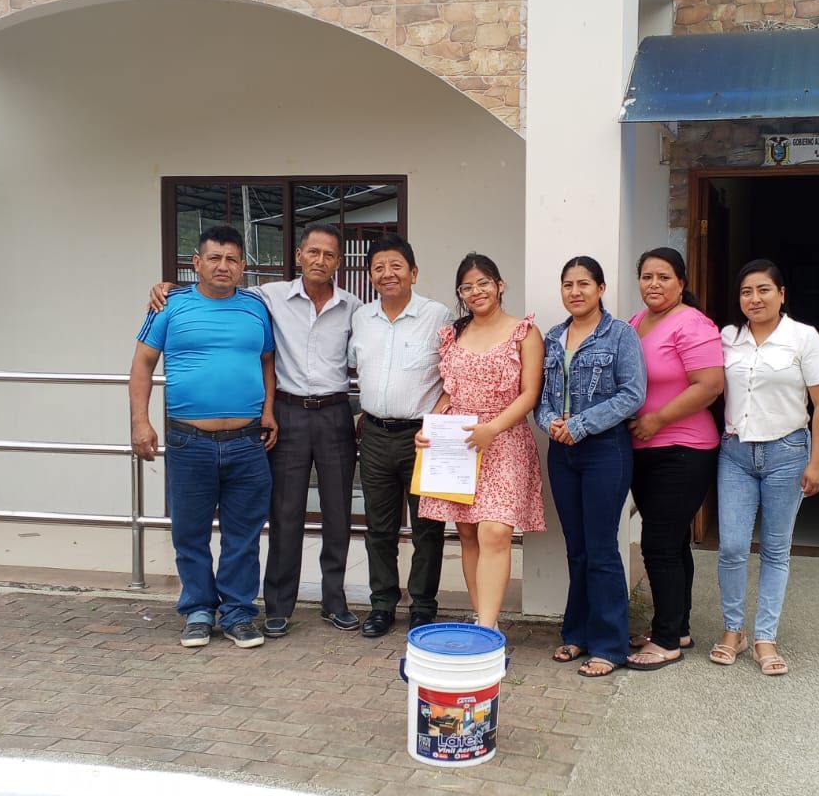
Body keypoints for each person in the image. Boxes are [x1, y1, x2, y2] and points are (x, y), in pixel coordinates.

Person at [148, 222, 360, 637]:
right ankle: (278, 606)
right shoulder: (268, 297)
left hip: (335, 412)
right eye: (313, 252)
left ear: (339, 261)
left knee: (338, 512)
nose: (320, 260)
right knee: (284, 512)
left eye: (329, 254)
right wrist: (167, 288)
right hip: (287, 412)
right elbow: (216, 284)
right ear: (298, 255)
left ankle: (334, 601)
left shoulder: (354, 307)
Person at [129, 225, 278, 649]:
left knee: (243, 535)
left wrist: (268, 410)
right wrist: (140, 422)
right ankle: (197, 609)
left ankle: (238, 613)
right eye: (214, 258)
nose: (223, 266)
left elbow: (267, 361)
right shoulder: (169, 306)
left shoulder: (256, 308)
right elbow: (142, 365)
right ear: (197, 263)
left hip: (247, 441)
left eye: (231, 259)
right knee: (189, 532)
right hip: (188, 441)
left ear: (243, 265)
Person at [711, 259, 819, 676]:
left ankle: (765, 637)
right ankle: (733, 630)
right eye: (746, 291)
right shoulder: (728, 338)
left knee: (776, 549)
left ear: (781, 294)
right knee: (732, 547)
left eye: (763, 290)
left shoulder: (803, 337)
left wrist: (816, 461)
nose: (755, 298)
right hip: (736, 454)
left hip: (787, 452)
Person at [414, 253, 545, 630]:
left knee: (496, 530)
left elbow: (530, 393)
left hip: (505, 439)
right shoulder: (452, 334)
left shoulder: (524, 332)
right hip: (456, 442)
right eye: (467, 287)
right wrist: (429, 427)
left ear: (500, 285)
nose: (476, 291)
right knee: (468, 531)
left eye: (484, 282)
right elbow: (448, 392)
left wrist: (493, 428)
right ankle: (484, 619)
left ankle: (486, 629)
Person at [536, 257, 647, 678]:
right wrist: (551, 422)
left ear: (601, 288)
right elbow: (542, 398)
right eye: (568, 284)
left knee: (602, 549)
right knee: (577, 548)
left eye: (584, 283)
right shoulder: (553, 336)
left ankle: (609, 645)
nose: (575, 291)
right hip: (562, 453)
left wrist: (580, 425)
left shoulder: (620, 335)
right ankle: (577, 633)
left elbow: (632, 394)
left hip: (605, 451)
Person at [348, 235, 454, 638]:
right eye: (378, 267)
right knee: (379, 528)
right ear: (370, 275)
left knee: (427, 527)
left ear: (414, 272)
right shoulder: (362, 318)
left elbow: (454, 375)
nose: (387, 273)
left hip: (423, 437)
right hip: (375, 435)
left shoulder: (437, 315)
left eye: (396, 265)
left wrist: (437, 419)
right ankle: (382, 605)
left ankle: (423, 606)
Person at [625, 247, 724, 670]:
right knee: (674, 542)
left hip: (683, 449)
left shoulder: (693, 324)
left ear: (681, 283)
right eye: (647, 276)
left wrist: (658, 419)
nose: (654, 284)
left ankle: (666, 641)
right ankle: (676, 627)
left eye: (664, 277)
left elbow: (710, 384)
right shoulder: (636, 322)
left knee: (659, 545)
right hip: (645, 450)